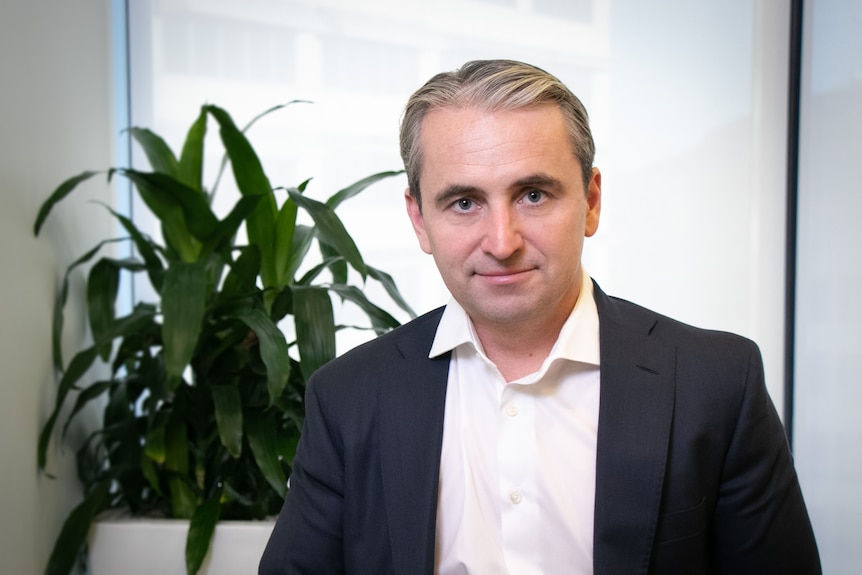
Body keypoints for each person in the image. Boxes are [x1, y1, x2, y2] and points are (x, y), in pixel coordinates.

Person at [259, 59, 820, 574]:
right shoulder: (348, 397)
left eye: (532, 194)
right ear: (420, 220)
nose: (502, 242)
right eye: (464, 202)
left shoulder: (716, 384)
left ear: (592, 201)